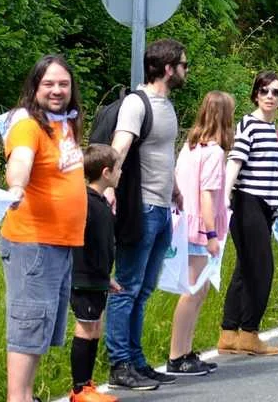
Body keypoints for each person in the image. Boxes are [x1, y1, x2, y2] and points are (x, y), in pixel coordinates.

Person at [1, 55, 87, 402]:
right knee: (28, 328)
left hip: (59, 244)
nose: (56, 90)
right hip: (33, 244)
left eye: (63, 84)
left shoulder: (64, 123)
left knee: (39, 331)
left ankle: (25, 396)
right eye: (48, 84)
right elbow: (20, 159)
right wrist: (16, 186)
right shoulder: (27, 125)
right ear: (34, 87)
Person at [106, 39, 186, 390]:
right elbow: (120, 147)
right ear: (168, 69)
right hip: (141, 208)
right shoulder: (136, 104)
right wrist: (108, 186)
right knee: (126, 287)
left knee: (143, 289)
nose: (186, 70)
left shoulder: (166, 105)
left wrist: (176, 190)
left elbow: (163, 155)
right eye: (183, 65)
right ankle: (119, 364)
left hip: (162, 207)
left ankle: (137, 361)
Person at [219, 72, 278, 356]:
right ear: (256, 94)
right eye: (264, 91)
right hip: (248, 202)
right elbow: (235, 162)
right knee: (262, 269)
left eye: (276, 92)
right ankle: (249, 333)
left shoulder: (270, 129)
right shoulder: (249, 124)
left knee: (245, 268)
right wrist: (224, 198)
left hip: (263, 206)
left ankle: (229, 333)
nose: (269, 96)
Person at [167, 91, 234, 376]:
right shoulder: (214, 153)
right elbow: (207, 195)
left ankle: (186, 350)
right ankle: (177, 354)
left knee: (200, 288)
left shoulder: (191, 146)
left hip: (187, 222)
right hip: (199, 227)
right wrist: (211, 234)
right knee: (193, 290)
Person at [69, 145, 121, 402]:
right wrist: (92, 273)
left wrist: (106, 276)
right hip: (84, 278)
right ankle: (79, 389)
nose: (121, 173)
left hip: (97, 278)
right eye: (118, 168)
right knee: (85, 328)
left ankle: (88, 384)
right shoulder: (86, 203)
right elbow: (83, 244)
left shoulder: (101, 203)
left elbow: (103, 245)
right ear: (106, 173)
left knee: (95, 327)